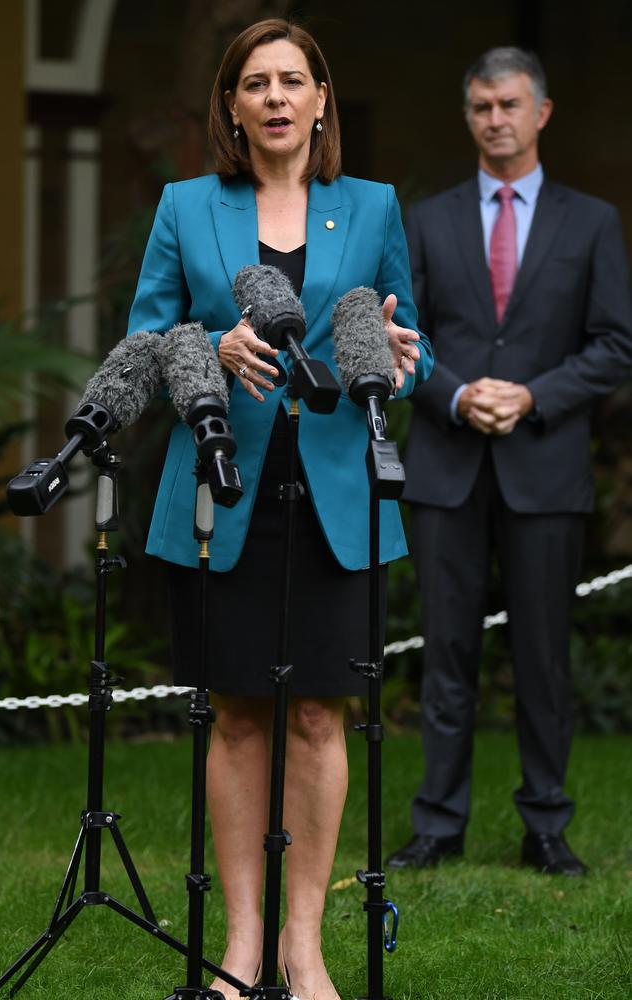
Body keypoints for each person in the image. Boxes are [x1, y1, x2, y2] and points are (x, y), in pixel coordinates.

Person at [127, 18, 433, 999]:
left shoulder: (374, 207)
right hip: (223, 488)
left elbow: (397, 348)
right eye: (253, 82)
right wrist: (206, 353)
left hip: (337, 494)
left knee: (315, 720)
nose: (272, 97)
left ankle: (304, 948)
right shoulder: (185, 207)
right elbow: (145, 346)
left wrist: (402, 359)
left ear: (318, 99)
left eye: (289, 80)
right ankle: (242, 945)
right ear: (231, 105)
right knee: (239, 720)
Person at [387, 47, 632, 876]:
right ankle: (438, 825)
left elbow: (614, 345)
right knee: (446, 656)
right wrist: (457, 397)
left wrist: (530, 397)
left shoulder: (592, 221)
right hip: (447, 466)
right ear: (469, 117)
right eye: (482, 107)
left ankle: (546, 826)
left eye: (510, 105)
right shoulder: (426, 221)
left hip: (545, 466)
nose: (496, 119)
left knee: (543, 658)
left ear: (542, 113)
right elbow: (400, 342)